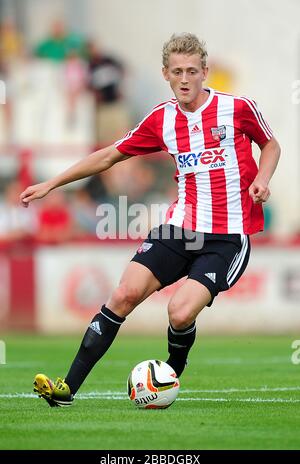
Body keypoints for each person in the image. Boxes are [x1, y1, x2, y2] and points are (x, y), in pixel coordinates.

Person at [20, 33, 280, 407]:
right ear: (166, 74)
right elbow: (110, 155)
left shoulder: (237, 108)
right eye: (178, 71)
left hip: (227, 237)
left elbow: (270, 144)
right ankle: (67, 389)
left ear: (205, 72)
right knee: (123, 294)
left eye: (192, 70)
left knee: (180, 311)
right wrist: (52, 183)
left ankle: (172, 373)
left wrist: (262, 178)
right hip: (179, 228)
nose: (186, 78)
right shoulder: (162, 119)